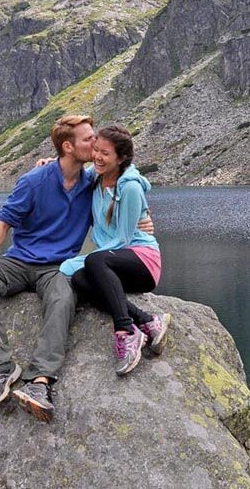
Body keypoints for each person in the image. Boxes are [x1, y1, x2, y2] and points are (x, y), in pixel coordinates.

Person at [0, 114, 153, 423]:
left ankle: (41, 382)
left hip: (58, 267)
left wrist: (142, 215)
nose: (96, 143)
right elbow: (4, 222)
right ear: (68, 146)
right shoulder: (34, 180)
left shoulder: (93, 181)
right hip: (19, 262)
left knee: (64, 300)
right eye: (88, 139)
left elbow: (129, 179)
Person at [60, 124, 169, 376]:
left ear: (120, 158)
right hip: (112, 262)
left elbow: (122, 240)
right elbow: (66, 171)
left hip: (143, 260)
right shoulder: (95, 179)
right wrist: (47, 164)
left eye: (105, 153)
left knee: (90, 264)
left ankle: (126, 331)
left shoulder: (129, 187)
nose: (97, 156)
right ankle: (147, 320)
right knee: (79, 279)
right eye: (95, 150)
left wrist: (77, 261)